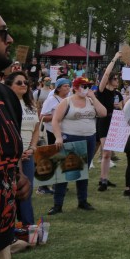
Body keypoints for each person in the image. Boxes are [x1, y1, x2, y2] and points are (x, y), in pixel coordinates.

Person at [0, 8, 30, 259]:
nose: (10, 39)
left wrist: (16, 176)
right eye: (2, 32)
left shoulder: (4, 95)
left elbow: (9, 152)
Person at [49, 76, 107, 214]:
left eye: (88, 86)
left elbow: (103, 113)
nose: (86, 89)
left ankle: (82, 201)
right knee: (64, 172)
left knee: (83, 171)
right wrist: (58, 137)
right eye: (83, 86)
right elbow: (55, 120)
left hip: (89, 138)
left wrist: (94, 97)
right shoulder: (66, 102)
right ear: (75, 88)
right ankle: (58, 204)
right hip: (70, 137)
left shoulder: (91, 101)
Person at [4, 71, 39, 226]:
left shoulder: (31, 104)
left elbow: (37, 128)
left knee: (26, 191)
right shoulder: (5, 105)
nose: (24, 85)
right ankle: (10, 228)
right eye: (19, 83)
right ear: (9, 86)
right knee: (10, 192)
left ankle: (27, 226)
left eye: (26, 82)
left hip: (28, 154)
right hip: (11, 155)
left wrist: (32, 147)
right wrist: (17, 153)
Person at [97, 52, 123, 191]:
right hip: (104, 121)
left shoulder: (116, 93)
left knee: (109, 154)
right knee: (106, 152)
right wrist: (115, 58)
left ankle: (104, 178)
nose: (117, 80)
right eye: (115, 78)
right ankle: (103, 180)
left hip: (114, 120)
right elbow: (106, 74)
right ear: (109, 80)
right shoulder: (101, 90)